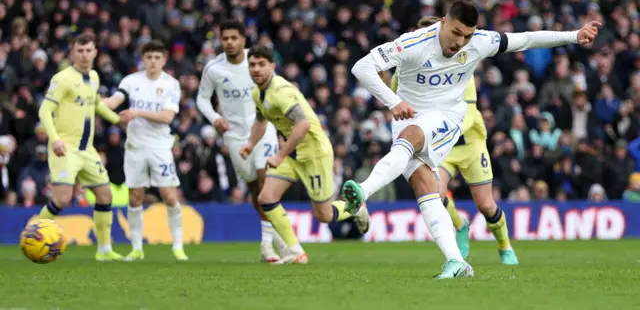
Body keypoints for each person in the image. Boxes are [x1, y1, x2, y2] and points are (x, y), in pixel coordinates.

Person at [342, 0, 599, 278]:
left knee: (413, 138)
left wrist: (574, 35)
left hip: (447, 115)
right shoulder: (413, 43)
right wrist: (392, 101)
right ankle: (456, 262)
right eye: (455, 33)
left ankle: (363, 192)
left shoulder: (480, 41)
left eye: (466, 35)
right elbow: (362, 67)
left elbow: (525, 39)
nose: (460, 42)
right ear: (443, 22)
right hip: (407, 116)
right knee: (425, 187)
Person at [389, 16, 518, 265]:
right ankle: (460, 224)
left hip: (468, 143)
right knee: (434, 192)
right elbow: (395, 103)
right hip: (441, 145)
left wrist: (434, 129)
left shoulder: (459, 66)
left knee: (486, 205)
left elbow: (467, 114)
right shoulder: (403, 71)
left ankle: (505, 246)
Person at [242, 45, 370, 264]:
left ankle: (356, 208)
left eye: (261, 64)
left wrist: (280, 155)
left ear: (272, 67)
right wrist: (250, 144)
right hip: (293, 154)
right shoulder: (257, 93)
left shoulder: (281, 92)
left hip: (314, 154)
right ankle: (295, 252)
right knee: (266, 197)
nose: (256, 69)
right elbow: (261, 120)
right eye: (252, 64)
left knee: (324, 215)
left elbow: (302, 124)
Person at [196, 20, 286, 262]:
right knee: (255, 190)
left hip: (262, 127)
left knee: (265, 181)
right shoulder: (213, 68)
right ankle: (278, 238)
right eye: (225, 38)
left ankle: (267, 247)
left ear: (243, 40)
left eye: (234, 38)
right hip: (234, 135)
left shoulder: (257, 62)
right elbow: (202, 99)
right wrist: (215, 118)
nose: (229, 42)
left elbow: (274, 90)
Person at [37, 34, 126, 262]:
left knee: (105, 195)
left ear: (95, 52)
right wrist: (55, 138)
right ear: (72, 53)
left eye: (88, 50)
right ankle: (34, 233)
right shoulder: (63, 78)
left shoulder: (94, 77)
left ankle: (104, 250)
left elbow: (96, 104)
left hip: (87, 150)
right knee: (62, 200)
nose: (85, 55)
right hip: (64, 147)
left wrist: (117, 120)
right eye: (80, 51)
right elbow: (44, 111)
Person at [102, 40, 187, 261]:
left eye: (157, 58)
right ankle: (137, 249)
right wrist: (91, 100)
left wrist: (137, 112)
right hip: (135, 147)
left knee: (169, 195)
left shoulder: (171, 84)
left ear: (164, 60)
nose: (152, 62)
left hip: (160, 146)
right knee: (135, 197)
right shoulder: (131, 81)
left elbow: (167, 117)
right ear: (143, 59)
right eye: (149, 57)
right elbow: (113, 102)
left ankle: (178, 246)